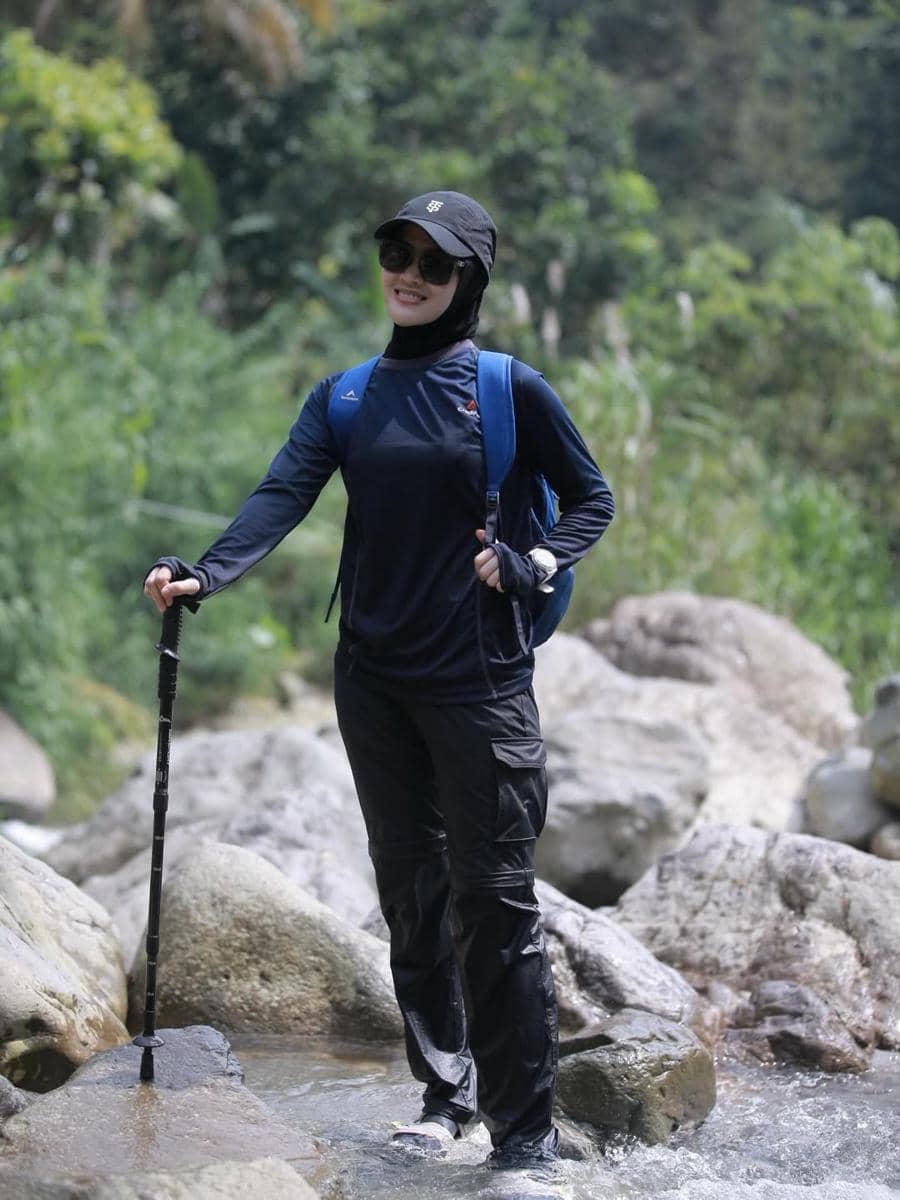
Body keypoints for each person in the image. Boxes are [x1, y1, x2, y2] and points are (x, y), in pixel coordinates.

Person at [144, 191, 615, 1177]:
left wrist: (535, 559)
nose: (407, 274)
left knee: (495, 901)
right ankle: (446, 1098)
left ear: (468, 281)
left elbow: (591, 498)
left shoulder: (507, 387)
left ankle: (525, 1141)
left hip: (479, 679)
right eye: (396, 252)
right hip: (372, 676)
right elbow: (283, 493)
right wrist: (206, 573)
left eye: (432, 263)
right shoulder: (346, 396)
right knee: (411, 890)